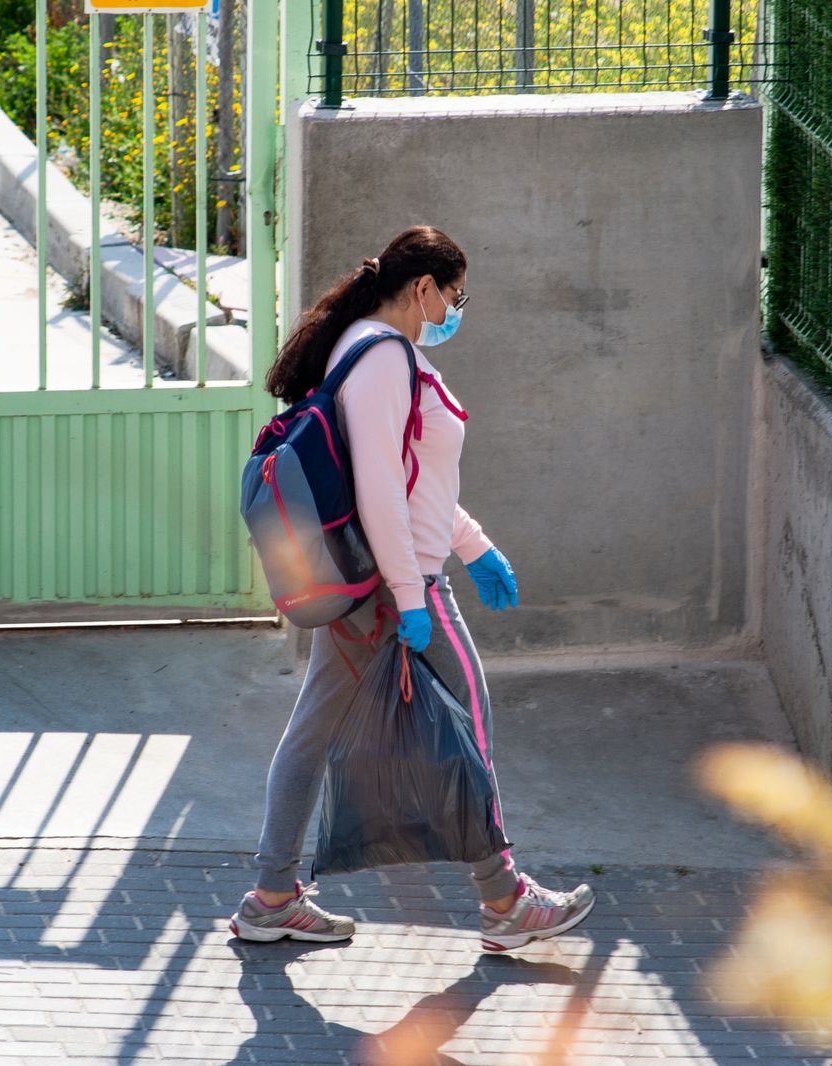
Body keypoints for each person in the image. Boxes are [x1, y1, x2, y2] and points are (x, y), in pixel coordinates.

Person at [229, 226, 594, 952]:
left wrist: (476, 545)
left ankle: (271, 896)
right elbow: (380, 493)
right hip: (401, 585)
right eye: (454, 296)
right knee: (470, 727)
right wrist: (413, 595)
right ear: (423, 288)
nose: (456, 310)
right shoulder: (383, 360)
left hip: (387, 579)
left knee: (313, 733)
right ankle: (505, 902)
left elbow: (415, 482)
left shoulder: (368, 348)